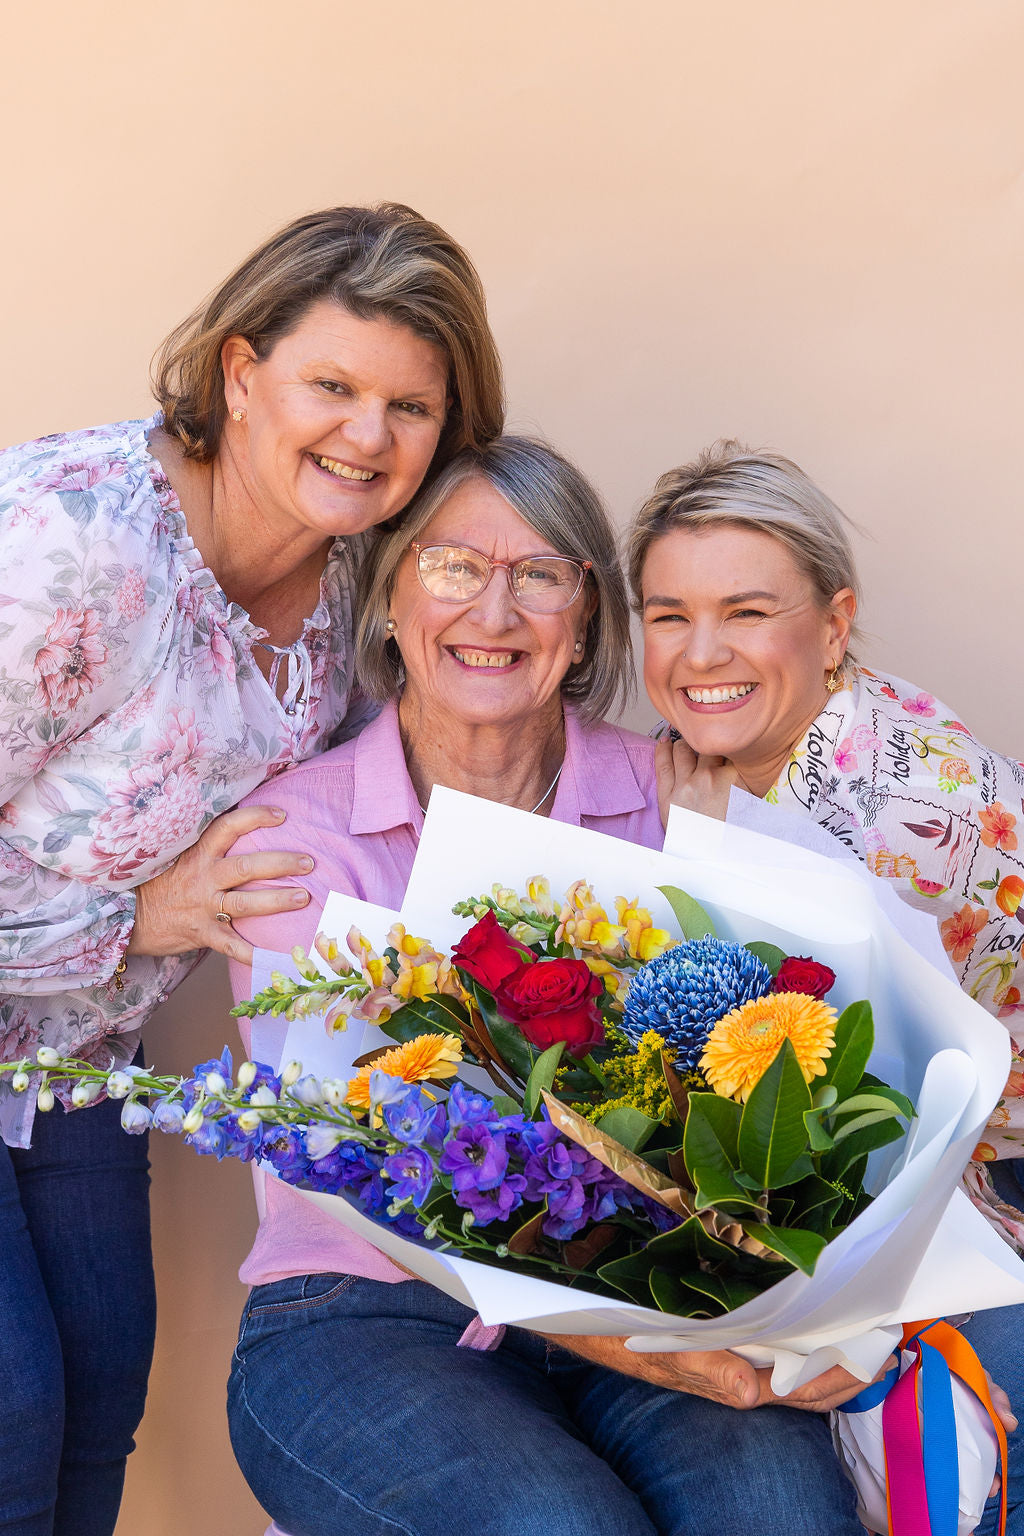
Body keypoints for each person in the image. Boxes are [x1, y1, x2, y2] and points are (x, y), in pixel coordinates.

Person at [224, 436, 878, 1536]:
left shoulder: (674, 792)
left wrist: (793, 1315)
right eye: (450, 567)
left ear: (582, 620)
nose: (493, 611)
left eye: (537, 576)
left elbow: (760, 1087)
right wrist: (636, 1345)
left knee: (780, 1515)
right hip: (372, 1310)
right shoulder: (298, 834)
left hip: (655, 1292)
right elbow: (361, 1159)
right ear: (388, 597)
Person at [0, 202, 504, 1536]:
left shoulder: (354, 597)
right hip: (66, 990)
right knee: (8, 1412)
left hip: (73, 1055)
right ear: (239, 373)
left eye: (408, 406)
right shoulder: (70, 545)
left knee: (101, 1394)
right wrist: (140, 912)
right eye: (330, 385)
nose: (366, 434)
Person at [630, 438, 1024, 1534]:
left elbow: (890, 1122)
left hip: (985, 1215)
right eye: (667, 614)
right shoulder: (742, 760)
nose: (699, 651)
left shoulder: (887, 812)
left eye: (747, 612)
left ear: (834, 624)